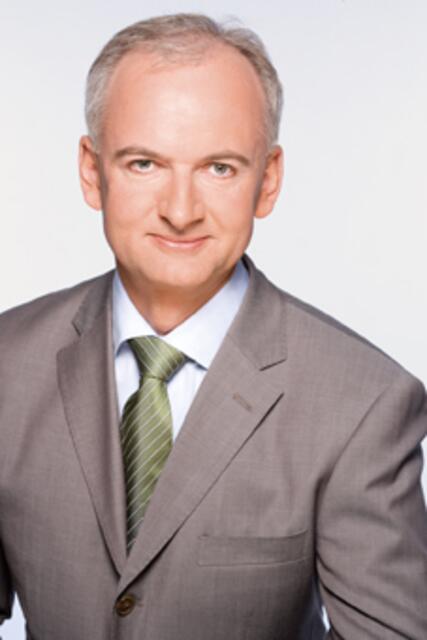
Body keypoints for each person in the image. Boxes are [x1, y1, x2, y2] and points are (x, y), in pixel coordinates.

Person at [0, 13, 426, 640]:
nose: (180, 211)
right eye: (144, 163)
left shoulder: (361, 402)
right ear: (92, 172)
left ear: (268, 181)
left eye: (219, 168)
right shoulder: (7, 366)